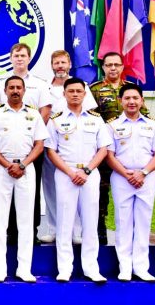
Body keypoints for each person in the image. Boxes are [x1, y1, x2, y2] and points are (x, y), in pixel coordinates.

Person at [0, 76, 47, 283]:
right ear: (5, 91)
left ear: (24, 90)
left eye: (19, 87)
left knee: (26, 220)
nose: (15, 91)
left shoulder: (33, 115)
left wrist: (23, 164)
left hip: (26, 168)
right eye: (11, 88)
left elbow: (39, 144)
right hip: (2, 168)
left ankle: (24, 268)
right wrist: (7, 164)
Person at [45, 78, 111, 283]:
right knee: (65, 222)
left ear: (84, 94)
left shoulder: (96, 119)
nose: (74, 94)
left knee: (90, 222)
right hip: (66, 174)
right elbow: (50, 150)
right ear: (64, 94)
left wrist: (87, 170)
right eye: (70, 91)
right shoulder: (55, 119)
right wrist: (70, 172)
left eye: (78, 91)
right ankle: (65, 268)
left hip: (89, 174)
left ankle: (91, 268)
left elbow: (103, 149)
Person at [104, 85, 155, 283]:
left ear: (142, 100)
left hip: (146, 177)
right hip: (122, 177)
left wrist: (144, 172)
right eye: (127, 98)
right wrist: (126, 173)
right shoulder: (112, 125)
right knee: (123, 221)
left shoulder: (153, 125)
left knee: (143, 221)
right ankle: (125, 267)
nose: (131, 102)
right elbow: (109, 155)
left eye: (135, 98)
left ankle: (141, 267)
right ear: (120, 101)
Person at [89, 52, 145, 245]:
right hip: (104, 150)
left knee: (130, 190)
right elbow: (90, 120)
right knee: (101, 190)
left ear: (122, 67)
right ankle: (100, 226)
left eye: (117, 65)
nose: (113, 68)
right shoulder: (94, 90)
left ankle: (132, 229)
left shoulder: (130, 89)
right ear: (103, 67)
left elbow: (143, 115)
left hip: (128, 150)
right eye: (109, 65)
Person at [40, 50, 96, 243]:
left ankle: (77, 231)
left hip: (76, 146)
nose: (60, 66)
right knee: (51, 187)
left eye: (63, 62)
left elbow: (90, 114)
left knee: (80, 189)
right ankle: (54, 228)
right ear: (52, 65)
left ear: (69, 64)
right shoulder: (44, 88)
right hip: (52, 145)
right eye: (56, 63)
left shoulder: (80, 87)